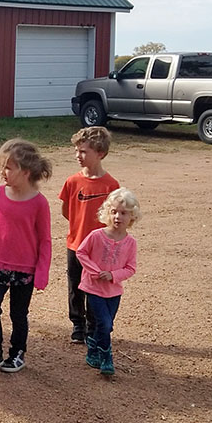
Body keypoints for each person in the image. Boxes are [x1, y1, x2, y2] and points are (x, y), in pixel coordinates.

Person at [0, 139, 52, 377]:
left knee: (18, 314)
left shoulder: (40, 203)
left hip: (24, 270)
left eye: (9, 167)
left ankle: (17, 352)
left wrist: (42, 271)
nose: (3, 172)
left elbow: (45, 241)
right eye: (2, 166)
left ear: (26, 172)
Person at [58, 126, 119, 344]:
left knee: (96, 286)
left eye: (84, 151)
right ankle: (78, 324)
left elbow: (115, 216)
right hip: (76, 244)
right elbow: (66, 210)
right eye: (77, 151)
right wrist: (79, 227)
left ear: (100, 153)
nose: (78, 156)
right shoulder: (73, 181)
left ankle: (94, 326)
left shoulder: (111, 185)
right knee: (75, 285)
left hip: (100, 249)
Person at [75, 188, 140, 376]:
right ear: (107, 213)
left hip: (114, 292)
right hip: (93, 288)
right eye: (114, 212)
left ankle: (93, 349)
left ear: (131, 217)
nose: (118, 217)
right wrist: (95, 272)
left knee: (107, 324)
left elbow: (131, 268)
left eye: (123, 213)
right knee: (104, 323)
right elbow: (81, 252)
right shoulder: (96, 235)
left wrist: (113, 275)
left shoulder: (131, 243)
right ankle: (106, 358)